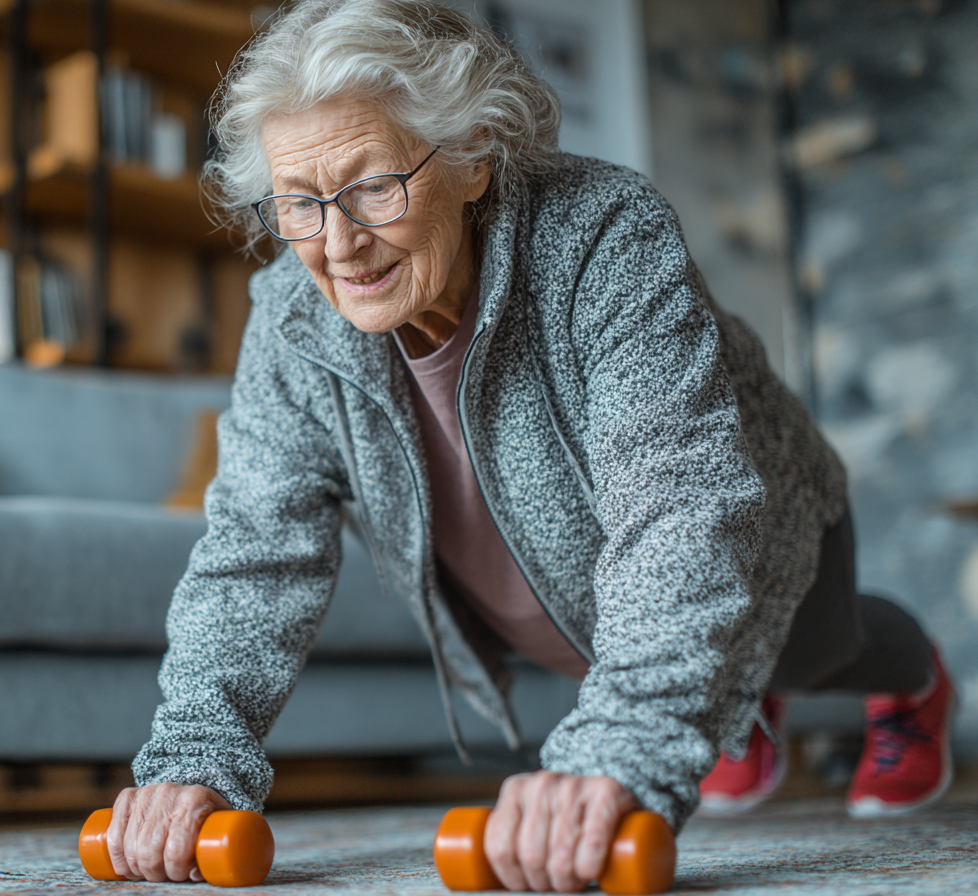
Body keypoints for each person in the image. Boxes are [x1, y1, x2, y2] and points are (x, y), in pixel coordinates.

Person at [101, 0, 954, 890]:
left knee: (813, 651)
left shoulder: (603, 234)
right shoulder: (289, 318)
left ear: (473, 155)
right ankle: (720, 702)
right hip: (562, 606)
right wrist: (192, 758)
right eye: (300, 205)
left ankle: (916, 680)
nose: (340, 244)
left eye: (373, 188)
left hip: (753, 544)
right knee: (679, 675)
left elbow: (680, 504)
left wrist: (619, 749)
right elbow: (253, 557)